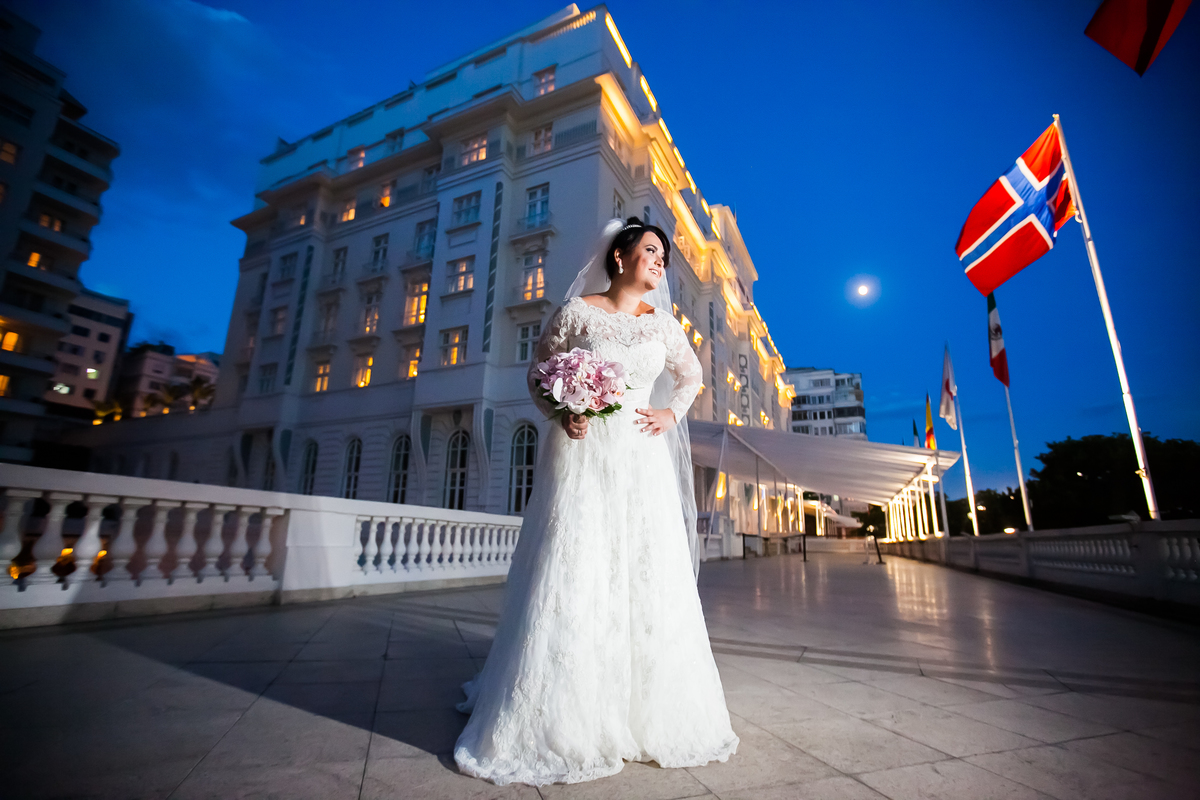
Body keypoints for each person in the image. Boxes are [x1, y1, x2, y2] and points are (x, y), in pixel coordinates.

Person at [453, 218, 739, 785]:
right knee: (578, 564)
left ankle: (644, 711)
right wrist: (564, 411)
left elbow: (692, 375)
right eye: (652, 251)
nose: (662, 262)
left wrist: (669, 413)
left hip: (641, 459)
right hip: (584, 456)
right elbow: (540, 374)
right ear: (619, 257)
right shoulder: (577, 313)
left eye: (664, 255)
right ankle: (569, 714)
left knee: (645, 571)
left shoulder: (663, 324)